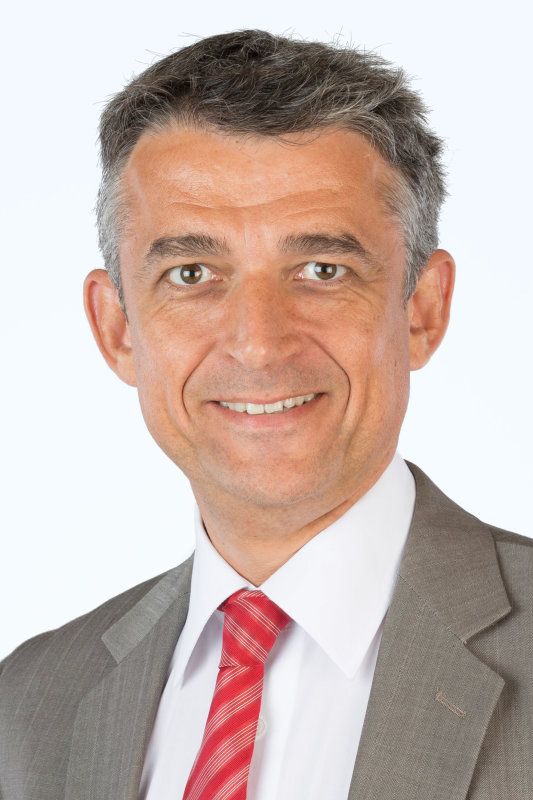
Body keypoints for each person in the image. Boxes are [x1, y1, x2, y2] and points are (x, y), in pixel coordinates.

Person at [0, 28, 531, 800]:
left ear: (421, 309)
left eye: (321, 269)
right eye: (191, 273)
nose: (257, 344)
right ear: (117, 329)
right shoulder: (29, 704)